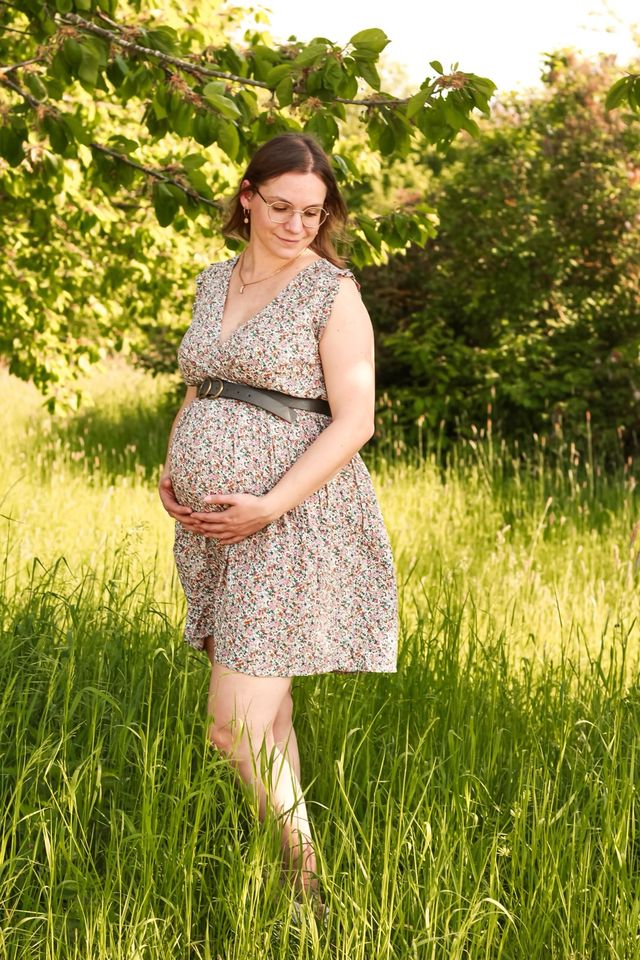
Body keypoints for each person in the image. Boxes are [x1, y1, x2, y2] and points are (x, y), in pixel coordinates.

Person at [158, 132, 398, 922]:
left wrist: (270, 504)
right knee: (270, 718)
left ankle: (307, 881)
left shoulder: (332, 292)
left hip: (290, 520)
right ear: (247, 196)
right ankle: (299, 899)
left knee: (230, 728)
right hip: (212, 525)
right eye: (283, 207)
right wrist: (173, 464)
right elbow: (201, 384)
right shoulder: (211, 281)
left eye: (313, 212)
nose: (298, 224)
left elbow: (354, 421)